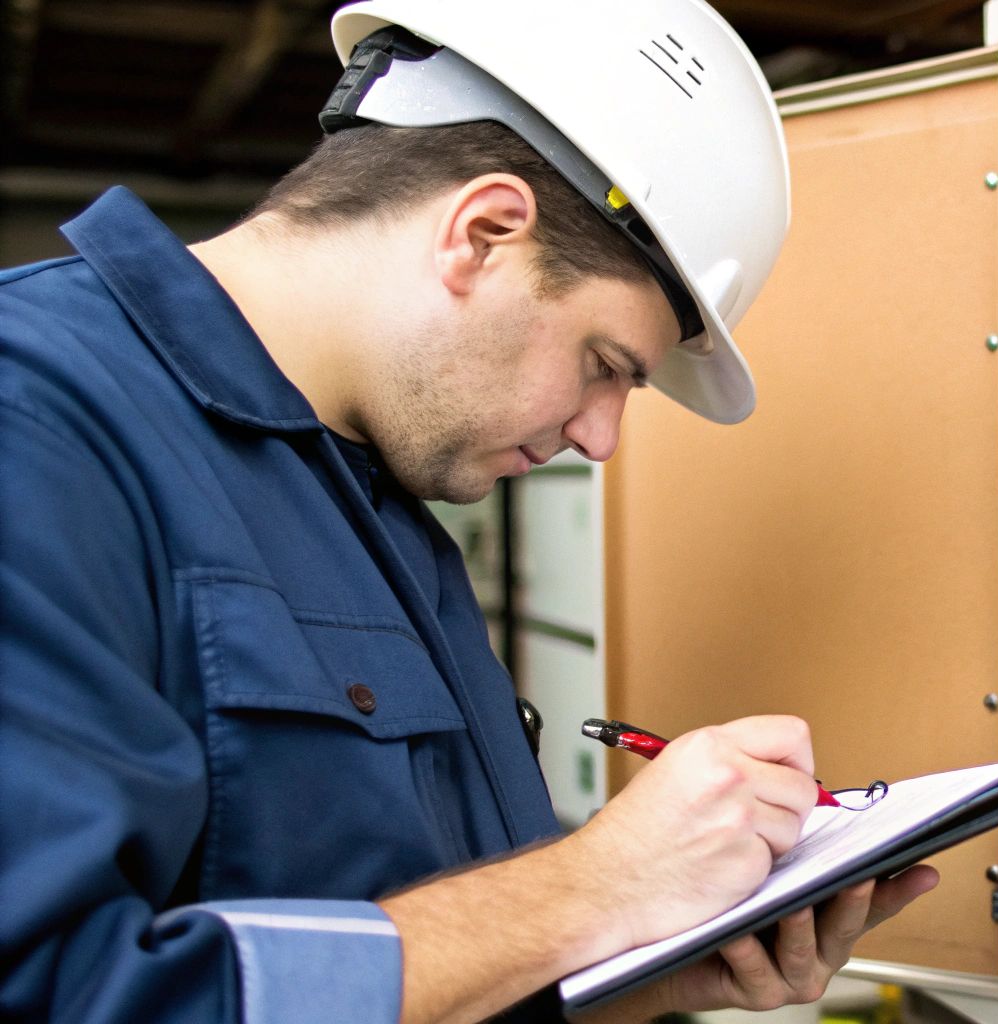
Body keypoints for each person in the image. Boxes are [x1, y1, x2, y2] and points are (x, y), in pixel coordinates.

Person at [0, 1, 938, 1021]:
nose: (601, 437)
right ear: (483, 234)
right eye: (605, 366)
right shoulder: (37, 422)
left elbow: (416, 943)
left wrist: (633, 965)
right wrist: (599, 885)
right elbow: (62, 991)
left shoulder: (379, 501)